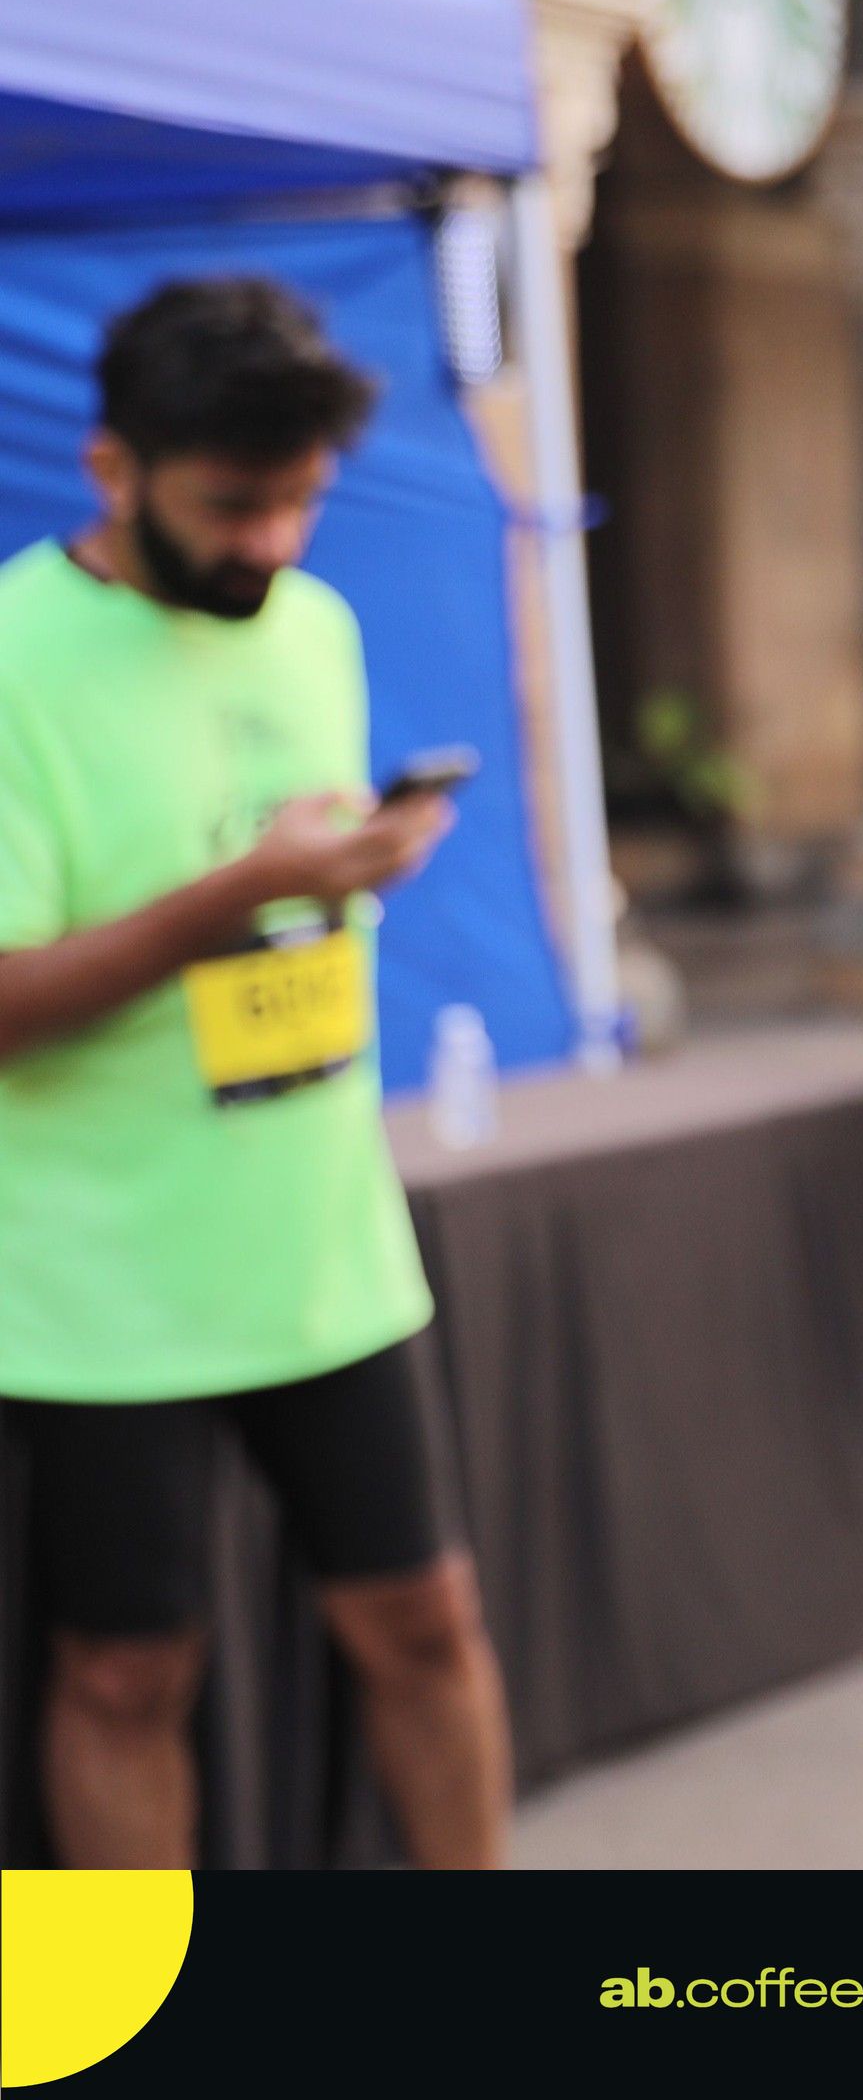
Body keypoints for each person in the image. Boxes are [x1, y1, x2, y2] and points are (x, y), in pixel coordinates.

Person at [0, 276, 510, 1867]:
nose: (274, 542)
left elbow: (284, 899)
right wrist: (242, 893)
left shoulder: (316, 629)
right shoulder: (17, 657)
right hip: (92, 1279)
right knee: (125, 1672)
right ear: (111, 468)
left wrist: (345, 871)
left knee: (427, 1624)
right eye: (233, 506)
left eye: (302, 500)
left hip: (320, 1245)